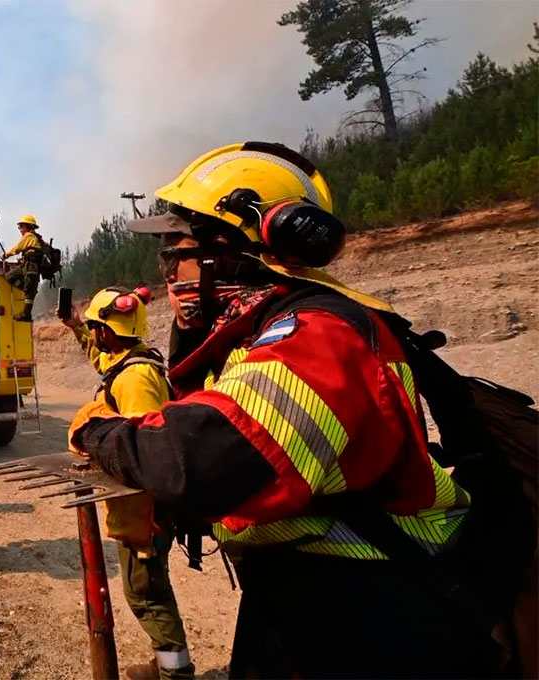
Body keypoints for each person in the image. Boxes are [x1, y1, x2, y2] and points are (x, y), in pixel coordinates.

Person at [69, 142, 503, 677]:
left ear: (229, 250)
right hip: (308, 588)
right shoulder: (263, 332)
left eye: (175, 253)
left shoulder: (318, 333)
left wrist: (97, 431)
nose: (168, 272)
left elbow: (200, 458)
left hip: (374, 606)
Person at [63, 287, 194, 680]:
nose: (94, 335)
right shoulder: (129, 359)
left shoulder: (135, 380)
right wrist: (75, 327)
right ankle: (165, 662)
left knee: (144, 591)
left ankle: (175, 672)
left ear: (107, 331)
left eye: (94, 328)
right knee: (149, 585)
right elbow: (102, 360)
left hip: (144, 508)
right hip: (144, 504)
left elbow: (145, 449)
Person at [2, 214, 44, 322]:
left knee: (29, 289)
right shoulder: (33, 238)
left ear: (27, 226)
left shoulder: (29, 236)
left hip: (32, 266)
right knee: (9, 277)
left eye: (21, 227)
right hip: (26, 264)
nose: (20, 229)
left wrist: (6, 255)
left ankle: (26, 314)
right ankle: (27, 290)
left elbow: (17, 248)